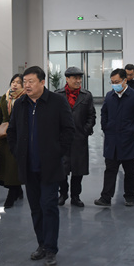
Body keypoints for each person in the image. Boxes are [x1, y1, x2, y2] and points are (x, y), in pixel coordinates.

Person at [7, 66, 74, 266]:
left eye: (31, 82)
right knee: (36, 208)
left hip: (50, 167)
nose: (26, 85)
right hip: (28, 167)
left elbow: (68, 130)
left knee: (49, 207)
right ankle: (42, 245)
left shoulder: (57, 102)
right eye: (24, 82)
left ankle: (51, 250)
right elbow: (12, 131)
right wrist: (18, 152)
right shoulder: (20, 104)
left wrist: (57, 152)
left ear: (42, 82)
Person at [94, 68, 134, 207]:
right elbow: (104, 113)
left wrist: (133, 128)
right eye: (112, 82)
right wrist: (105, 127)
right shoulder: (109, 96)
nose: (114, 85)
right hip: (112, 140)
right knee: (110, 169)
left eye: (117, 82)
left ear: (125, 81)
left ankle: (129, 196)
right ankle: (105, 197)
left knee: (130, 170)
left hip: (128, 140)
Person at [54, 66, 96, 207]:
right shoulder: (58, 95)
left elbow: (91, 115)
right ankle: (63, 193)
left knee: (78, 170)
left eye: (80, 78)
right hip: (62, 139)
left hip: (79, 138)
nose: (78, 81)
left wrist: (85, 131)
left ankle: (75, 196)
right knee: (61, 168)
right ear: (67, 79)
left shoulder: (86, 96)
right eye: (75, 78)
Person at [0, 74, 25, 208]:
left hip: (18, 136)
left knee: (13, 166)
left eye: (18, 82)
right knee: (6, 165)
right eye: (13, 82)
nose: (15, 84)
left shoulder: (25, 98)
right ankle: (17, 189)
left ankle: (11, 194)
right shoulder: (6, 98)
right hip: (4, 137)